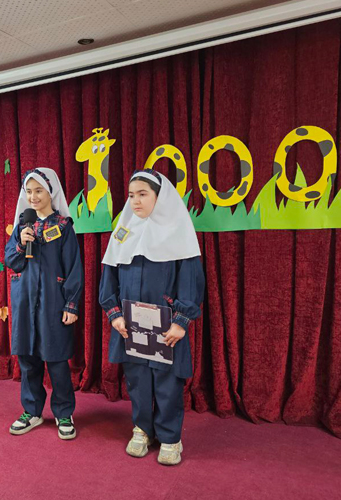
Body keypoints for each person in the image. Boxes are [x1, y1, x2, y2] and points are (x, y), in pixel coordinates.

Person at [98, 169, 205, 465]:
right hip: (130, 324)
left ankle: (170, 437)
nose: (135, 201)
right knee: (137, 380)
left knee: (168, 381)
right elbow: (110, 275)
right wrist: (114, 314)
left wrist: (181, 320)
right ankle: (143, 429)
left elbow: (190, 280)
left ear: (160, 197)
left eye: (143, 194)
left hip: (167, 325)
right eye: (132, 195)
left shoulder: (178, 232)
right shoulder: (124, 232)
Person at [4, 168, 84, 440]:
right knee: (28, 359)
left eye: (38, 191)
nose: (33, 197)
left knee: (57, 359)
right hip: (25, 302)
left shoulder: (63, 226)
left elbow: (73, 268)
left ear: (51, 191)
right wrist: (20, 244)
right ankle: (32, 411)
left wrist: (71, 304)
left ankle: (64, 412)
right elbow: (12, 261)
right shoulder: (21, 227)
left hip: (53, 302)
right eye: (28, 192)